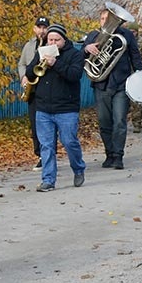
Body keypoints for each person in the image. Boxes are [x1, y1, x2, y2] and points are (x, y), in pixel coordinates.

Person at [26, 24, 87, 192]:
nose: (52, 42)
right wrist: (39, 61)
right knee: (46, 146)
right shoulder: (41, 52)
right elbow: (30, 73)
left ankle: (78, 168)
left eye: (56, 40)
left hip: (66, 108)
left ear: (64, 40)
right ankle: (48, 180)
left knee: (69, 142)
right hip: (43, 107)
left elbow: (75, 76)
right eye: (50, 39)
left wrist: (56, 63)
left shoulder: (75, 54)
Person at [83, 5, 142, 170]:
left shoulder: (126, 35)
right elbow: (82, 54)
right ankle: (109, 153)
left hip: (121, 85)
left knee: (119, 122)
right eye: (103, 19)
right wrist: (87, 48)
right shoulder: (93, 35)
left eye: (108, 19)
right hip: (101, 84)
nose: (105, 22)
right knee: (104, 122)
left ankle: (118, 156)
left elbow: (135, 56)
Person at [17, 16, 50, 170]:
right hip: (33, 89)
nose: (42, 31)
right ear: (34, 29)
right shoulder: (28, 46)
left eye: (45, 27)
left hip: (48, 89)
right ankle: (40, 155)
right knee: (34, 123)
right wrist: (23, 76)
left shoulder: (52, 44)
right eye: (39, 27)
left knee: (48, 125)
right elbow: (22, 63)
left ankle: (48, 154)